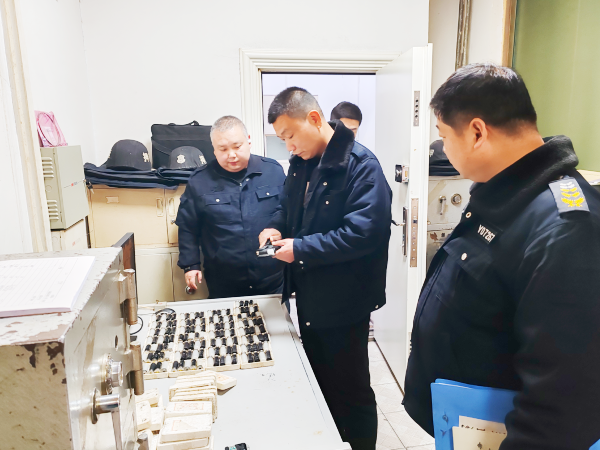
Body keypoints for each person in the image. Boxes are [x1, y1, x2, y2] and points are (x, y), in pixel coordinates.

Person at [403, 64, 600, 449]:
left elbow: (565, 401)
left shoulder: (566, 227)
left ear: (477, 132)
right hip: (467, 426)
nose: (442, 148)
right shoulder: (502, 192)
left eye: (443, 136)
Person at [259, 87, 392, 450]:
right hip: (310, 294)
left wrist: (300, 248)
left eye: (290, 135)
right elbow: (287, 209)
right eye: (282, 139)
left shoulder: (362, 166)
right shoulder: (301, 163)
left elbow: (362, 234)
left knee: (351, 389)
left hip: (346, 300)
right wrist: (275, 227)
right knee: (319, 382)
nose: (288, 146)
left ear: (315, 119)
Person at [176, 115, 285, 299]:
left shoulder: (273, 171)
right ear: (214, 149)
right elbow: (188, 227)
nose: (232, 155)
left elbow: (287, 210)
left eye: (237, 146)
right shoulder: (200, 180)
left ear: (248, 141)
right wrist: (190, 265)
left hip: (272, 278)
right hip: (224, 282)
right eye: (223, 149)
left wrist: (278, 228)